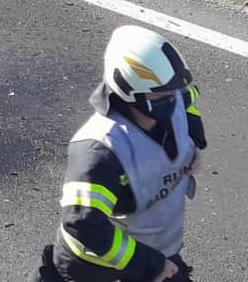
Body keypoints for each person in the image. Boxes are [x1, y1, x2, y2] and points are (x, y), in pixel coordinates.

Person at [33, 25, 206, 282]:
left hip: (157, 253)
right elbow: (84, 225)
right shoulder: (100, 151)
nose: (172, 98)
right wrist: (149, 264)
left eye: (172, 90)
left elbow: (188, 100)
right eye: (161, 92)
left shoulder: (170, 96)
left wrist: (194, 143)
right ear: (128, 89)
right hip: (95, 265)